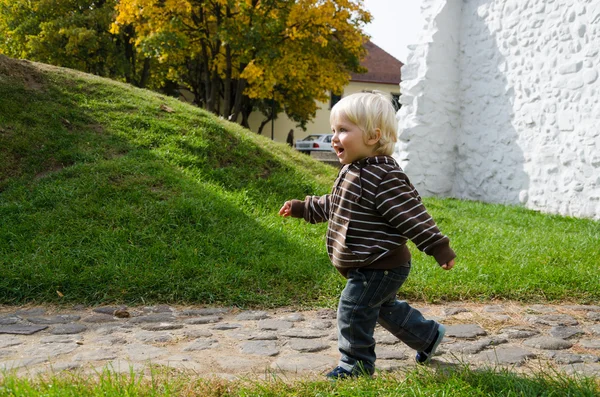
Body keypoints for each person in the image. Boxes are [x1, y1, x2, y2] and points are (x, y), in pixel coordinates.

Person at [279, 91, 456, 379]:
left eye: (344, 130)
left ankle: (356, 365)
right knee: (383, 308)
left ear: (373, 137)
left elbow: (412, 214)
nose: (334, 137)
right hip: (369, 262)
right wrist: (303, 208)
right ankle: (428, 336)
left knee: (353, 310)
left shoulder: (385, 176)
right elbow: (335, 204)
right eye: (334, 130)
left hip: (380, 264)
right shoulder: (353, 171)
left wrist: (438, 246)